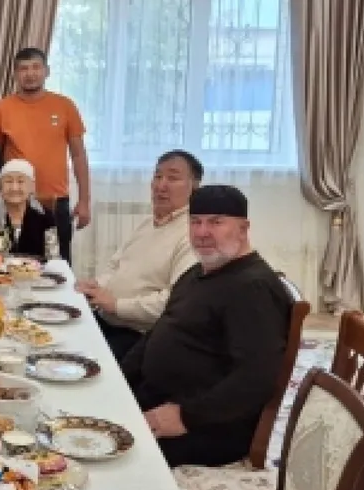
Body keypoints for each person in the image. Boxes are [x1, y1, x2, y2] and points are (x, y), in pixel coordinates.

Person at [121, 185, 293, 468]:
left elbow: (256, 377)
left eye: (216, 222)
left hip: (208, 426)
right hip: (161, 397)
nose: (202, 232)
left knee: (102, 453)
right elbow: (161, 330)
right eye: (195, 222)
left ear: (243, 229)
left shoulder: (252, 288)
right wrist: (121, 379)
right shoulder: (198, 272)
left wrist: (186, 416)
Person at [76, 150, 202, 361]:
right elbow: (115, 266)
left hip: (139, 338)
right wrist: (95, 287)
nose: (161, 186)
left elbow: (173, 303)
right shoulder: (147, 224)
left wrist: (116, 305)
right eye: (157, 176)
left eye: (172, 178)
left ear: (194, 187)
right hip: (106, 320)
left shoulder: (192, 235)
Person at [0, 47, 91, 263]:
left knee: (59, 265)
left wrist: (84, 201)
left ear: (47, 71)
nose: (30, 73)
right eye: (23, 68)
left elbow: (78, 155)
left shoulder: (65, 106)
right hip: (15, 201)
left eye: (36, 67)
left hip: (56, 200)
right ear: (15, 74)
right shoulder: (2, 108)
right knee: (10, 266)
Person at [0, 159, 57, 260]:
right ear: (0, 185)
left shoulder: (45, 217)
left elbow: (53, 258)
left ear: (32, 186)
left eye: (21, 181)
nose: (14, 188)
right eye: (8, 181)